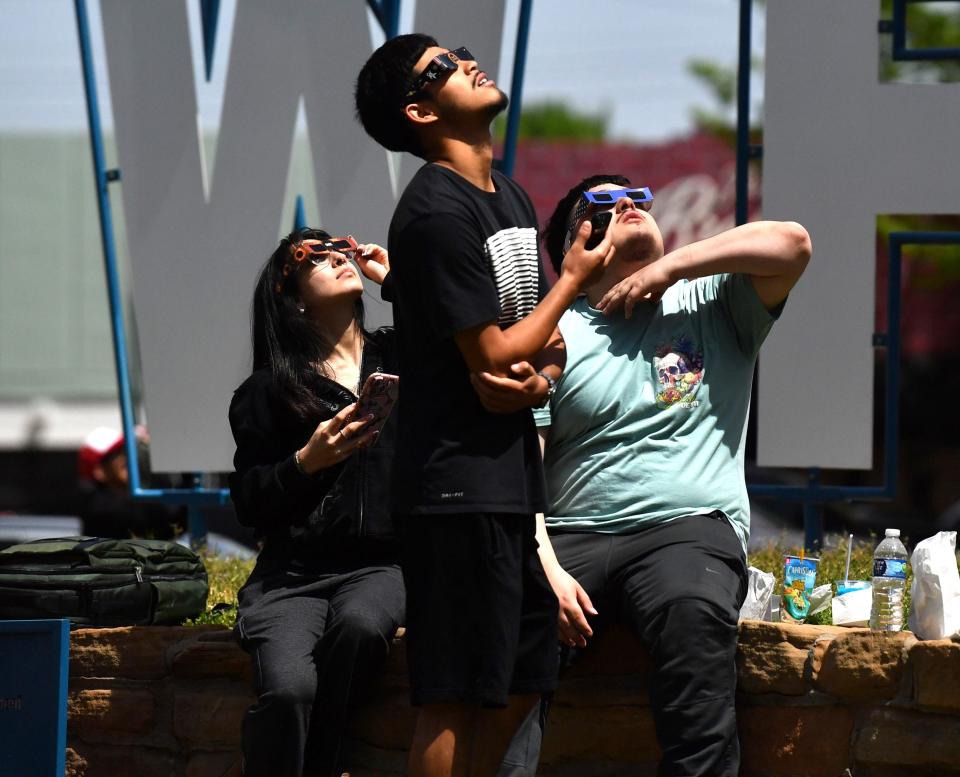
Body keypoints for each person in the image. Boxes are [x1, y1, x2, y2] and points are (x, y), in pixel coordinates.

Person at [476, 174, 812, 777]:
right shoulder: (552, 334)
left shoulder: (713, 302)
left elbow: (792, 243)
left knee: (691, 609)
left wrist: (671, 269)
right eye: (603, 203)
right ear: (575, 242)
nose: (628, 203)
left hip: (684, 531)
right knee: (514, 633)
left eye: (637, 196)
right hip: (568, 537)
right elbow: (519, 465)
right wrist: (542, 568)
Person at [354, 35, 615, 777]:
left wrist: (548, 373)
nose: (465, 62)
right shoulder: (435, 209)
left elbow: (534, 335)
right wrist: (573, 280)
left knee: (522, 677)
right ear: (420, 110)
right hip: (452, 488)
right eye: (442, 67)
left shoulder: (508, 195)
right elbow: (498, 353)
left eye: (459, 52)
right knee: (454, 694)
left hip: (505, 481)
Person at [228, 227, 404, 777]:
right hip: (292, 574)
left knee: (361, 626)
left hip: (384, 562)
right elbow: (250, 504)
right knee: (287, 689)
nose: (335, 259)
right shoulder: (268, 390)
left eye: (340, 250)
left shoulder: (404, 356)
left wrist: (397, 280)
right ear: (293, 297)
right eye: (313, 258)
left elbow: (467, 333)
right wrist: (307, 462)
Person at [76, 425, 184, 539]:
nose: (126, 457)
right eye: (116, 454)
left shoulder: (126, 500)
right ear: (99, 471)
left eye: (126, 450)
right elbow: (167, 519)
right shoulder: (100, 509)